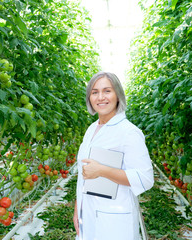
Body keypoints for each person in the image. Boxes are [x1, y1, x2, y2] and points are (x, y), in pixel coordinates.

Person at [73, 71, 154, 240]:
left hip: (114, 220)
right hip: (87, 215)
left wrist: (102, 171)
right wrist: (77, 211)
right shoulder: (91, 129)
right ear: (89, 98)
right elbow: (83, 177)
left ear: (118, 95)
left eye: (107, 91)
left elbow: (145, 178)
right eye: (94, 92)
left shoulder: (129, 132)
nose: (100, 97)